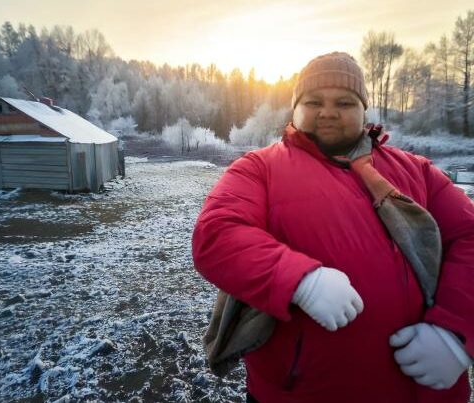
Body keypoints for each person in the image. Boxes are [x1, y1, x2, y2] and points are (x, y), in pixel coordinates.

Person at [191, 52, 474, 403]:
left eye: (344, 101)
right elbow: (216, 233)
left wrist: (456, 333)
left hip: (424, 391)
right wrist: (300, 281)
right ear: (295, 109)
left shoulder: (417, 171)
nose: (327, 111)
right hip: (302, 392)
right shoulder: (258, 168)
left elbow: (470, 234)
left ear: (363, 110)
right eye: (313, 101)